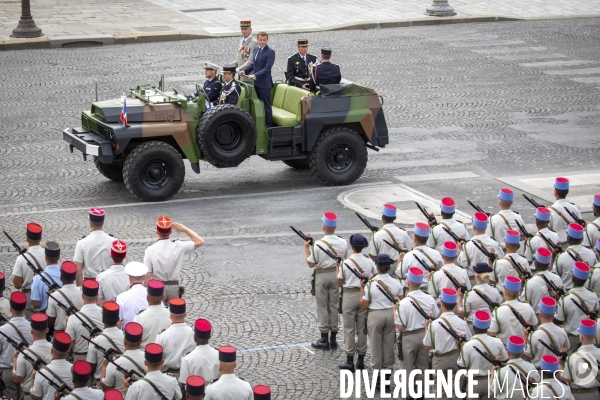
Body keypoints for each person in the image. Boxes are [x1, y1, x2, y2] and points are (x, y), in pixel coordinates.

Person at [305, 212, 349, 350]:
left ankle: (324, 337)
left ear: (324, 226)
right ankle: (334, 338)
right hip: (336, 274)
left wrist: (306, 248)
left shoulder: (318, 244)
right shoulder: (343, 242)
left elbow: (310, 263)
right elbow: (345, 261)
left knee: (322, 306)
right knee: (334, 305)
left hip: (322, 276)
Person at [360, 254, 403, 389]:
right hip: (391, 314)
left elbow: (364, 304)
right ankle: (387, 375)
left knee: (375, 346)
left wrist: (362, 287)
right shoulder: (396, 282)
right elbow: (401, 300)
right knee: (389, 345)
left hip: (375, 315)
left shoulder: (371, 284)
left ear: (376, 267)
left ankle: (377, 378)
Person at [395, 268, 439, 394]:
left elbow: (400, 327)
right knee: (422, 366)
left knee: (407, 368)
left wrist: (394, 313)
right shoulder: (429, 299)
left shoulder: (402, 303)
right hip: (424, 334)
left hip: (408, 337)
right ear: (420, 283)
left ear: (408, 283)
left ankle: (409, 393)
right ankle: (420, 392)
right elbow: (435, 316)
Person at [336, 234, 375, 371]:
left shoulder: (345, 263)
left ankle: (349, 359)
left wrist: (337, 267)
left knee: (349, 328)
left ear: (352, 247)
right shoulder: (369, 261)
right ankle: (361, 360)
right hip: (363, 294)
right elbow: (373, 277)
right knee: (362, 328)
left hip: (349, 295)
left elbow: (340, 282)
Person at [144, 216, 204, 304]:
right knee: (175, 313)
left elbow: (147, 275)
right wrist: (185, 229)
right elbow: (200, 241)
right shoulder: (179, 246)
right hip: (174, 287)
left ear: (156, 231)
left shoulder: (150, 250)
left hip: (157, 288)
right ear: (171, 232)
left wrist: (145, 290)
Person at [423, 288, 471, 397]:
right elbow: (468, 340)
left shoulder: (434, 324)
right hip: (455, 357)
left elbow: (427, 345)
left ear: (441, 303)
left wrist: (427, 327)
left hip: (439, 359)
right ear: (455, 304)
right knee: (455, 391)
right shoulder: (462, 322)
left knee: (439, 392)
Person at [457, 310, 507, 400]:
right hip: (492, 381)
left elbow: (461, 366)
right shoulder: (497, 342)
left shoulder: (468, 345)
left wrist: (459, 348)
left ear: (474, 327)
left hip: (474, 383)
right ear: (488, 326)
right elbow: (505, 361)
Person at [554, 262, 600, 351]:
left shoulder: (565, 299)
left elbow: (558, 320)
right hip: (588, 338)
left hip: (572, 338)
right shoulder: (592, 294)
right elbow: (596, 313)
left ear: (572, 278)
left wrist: (558, 302)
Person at [0, 292, 33, 399]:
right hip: (28, 370)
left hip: (8, 370)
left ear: (10, 309)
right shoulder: (33, 328)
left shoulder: (2, 330)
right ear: (25, 308)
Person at [13, 313, 52, 400]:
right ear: (47, 330)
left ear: (31, 331)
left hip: (29, 395)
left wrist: (15, 358)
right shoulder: (54, 351)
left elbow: (17, 379)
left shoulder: (25, 354)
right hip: (49, 395)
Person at [101, 322, 147, 395]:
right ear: (141, 341)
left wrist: (104, 365)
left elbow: (105, 387)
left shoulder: (114, 363)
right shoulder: (149, 361)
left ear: (124, 342)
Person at [12, 222, 46, 319]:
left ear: (26, 238)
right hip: (44, 293)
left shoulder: (21, 258)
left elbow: (17, 284)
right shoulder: (46, 255)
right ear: (40, 238)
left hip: (29, 296)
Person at [489, 276, 538, 343]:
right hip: (524, 347)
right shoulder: (528, 307)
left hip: (506, 349)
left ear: (505, 292)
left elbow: (491, 333)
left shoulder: (498, 311)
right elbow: (535, 325)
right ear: (519, 292)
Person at [489, 335, 539, 400]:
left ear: (508, 353)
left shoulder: (502, 371)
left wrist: (493, 373)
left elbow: (492, 392)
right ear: (522, 352)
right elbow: (537, 383)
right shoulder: (531, 367)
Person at [523, 297, 568, 368]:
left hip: (540, 371)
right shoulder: (562, 331)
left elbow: (528, 355)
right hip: (557, 371)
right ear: (554, 314)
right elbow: (566, 349)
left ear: (540, 314)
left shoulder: (535, 335)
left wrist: (525, 335)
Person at [241, 32, 275, 128]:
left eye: (264, 40)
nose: (262, 42)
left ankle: (268, 127)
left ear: (267, 40)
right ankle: (260, 125)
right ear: (258, 40)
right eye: (260, 40)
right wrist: (244, 71)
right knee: (258, 105)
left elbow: (267, 68)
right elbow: (254, 65)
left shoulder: (270, 52)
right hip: (256, 83)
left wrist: (255, 75)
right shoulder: (256, 49)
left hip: (264, 84)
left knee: (266, 106)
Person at [73, 208, 115, 285]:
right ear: (103, 223)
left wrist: (81, 289)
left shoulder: (82, 242)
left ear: (90, 223)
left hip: (89, 284)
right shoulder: (113, 241)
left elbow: (78, 271)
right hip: (108, 283)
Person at [398, 222, 443, 294]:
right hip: (430, 291)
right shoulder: (436, 254)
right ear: (427, 238)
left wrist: (400, 259)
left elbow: (399, 275)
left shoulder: (408, 256)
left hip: (412, 291)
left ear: (414, 238)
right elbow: (441, 271)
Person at [179, 319, 220, 397]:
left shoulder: (187, 359)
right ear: (209, 336)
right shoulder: (218, 355)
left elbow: (184, 386)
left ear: (194, 338)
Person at [457, 212, 504, 279]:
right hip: (489, 278)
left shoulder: (468, 245)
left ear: (473, 227)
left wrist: (459, 250)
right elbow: (501, 258)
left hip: (473, 278)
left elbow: (462, 263)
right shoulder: (494, 243)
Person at [368, 204, 413, 274]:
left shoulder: (377, 235)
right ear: (395, 218)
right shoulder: (403, 233)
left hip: (382, 269)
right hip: (399, 269)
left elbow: (372, 255)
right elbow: (410, 251)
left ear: (382, 217)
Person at [457, 262, 503, 330]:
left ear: (476, 275)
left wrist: (460, 297)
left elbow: (462, 314)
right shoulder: (495, 291)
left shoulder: (470, 294)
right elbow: (499, 307)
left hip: (473, 326)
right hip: (490, 325)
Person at [561, 319, 600, 399]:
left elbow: (567, 380)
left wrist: (559, 364)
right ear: (595, 336)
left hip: (578, 395)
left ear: (581, 337)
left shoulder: (571, 357)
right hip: (595, 393)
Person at [66, 280, 104, 361]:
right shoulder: (104, 314)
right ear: (97, 296)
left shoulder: (73, 318)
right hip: (100, 358)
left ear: (82, 295)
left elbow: (68, 346)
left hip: (81, 359)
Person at [155, 298, 195, 377]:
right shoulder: (194, 334)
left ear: (170, 316)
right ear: (185, 314)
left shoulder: (162, 336)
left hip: (168, 376)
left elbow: (157, 360)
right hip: (189, 377)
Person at [87, 301, 125, 383]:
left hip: (101, 382)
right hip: (120, 382)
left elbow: (91, 367)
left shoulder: (95, 341)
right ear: (118, 319)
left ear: (103, 319)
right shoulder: (125, 338)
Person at [30, 332, 73, 400]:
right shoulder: (75, 370)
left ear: (52, 350)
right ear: (68, 350)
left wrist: (33, 378)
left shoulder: (41, 372)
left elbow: (35, 397)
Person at [553, 223, 597, 290]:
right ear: (582, 239)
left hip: (567, 295)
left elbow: (555, 277)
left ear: (568, 238)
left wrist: (553, 258)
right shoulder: (591, 253)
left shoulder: (561, 257)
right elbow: (595, 273)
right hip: (586, 293)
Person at [519, 248, 564, 313]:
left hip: (537, 318)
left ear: (535, 264)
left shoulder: (530, 282)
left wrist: (522, 284)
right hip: (554, 316)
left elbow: (523, 303)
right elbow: (562, 299)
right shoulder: (557, 278)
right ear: (548, 264)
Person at [46, 261, 83, 335]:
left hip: (61, 334)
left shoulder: (54, 296)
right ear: (75, 277)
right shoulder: (82, 292)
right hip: (78, 332)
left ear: (61, 277)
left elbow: (51, 320)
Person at [133, 280, 171, 347]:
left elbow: (134, 341)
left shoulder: (139, 318)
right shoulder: (170, 315)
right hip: (165, 355)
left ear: (147, 298)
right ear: (162, 297)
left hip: (145, 355)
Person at [30, 241, 63, 313]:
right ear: (59, 257)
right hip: (62, 315)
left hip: (45, 317)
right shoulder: (67, 277)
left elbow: (36, 304)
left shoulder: (37, 279)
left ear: (45, 257)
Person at [548, 177, 583, 243]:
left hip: (558, 245)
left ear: (555, 192)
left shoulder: (550, 211)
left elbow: (547, 231)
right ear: (567, 192)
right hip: (572, 245)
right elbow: (581, 226)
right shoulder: (574, 208)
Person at [116, 262, 149, 328]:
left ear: (130, 279)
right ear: (144, 277)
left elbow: (118, 323)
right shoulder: (151, 295)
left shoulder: (121, 297)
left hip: (129, 333)